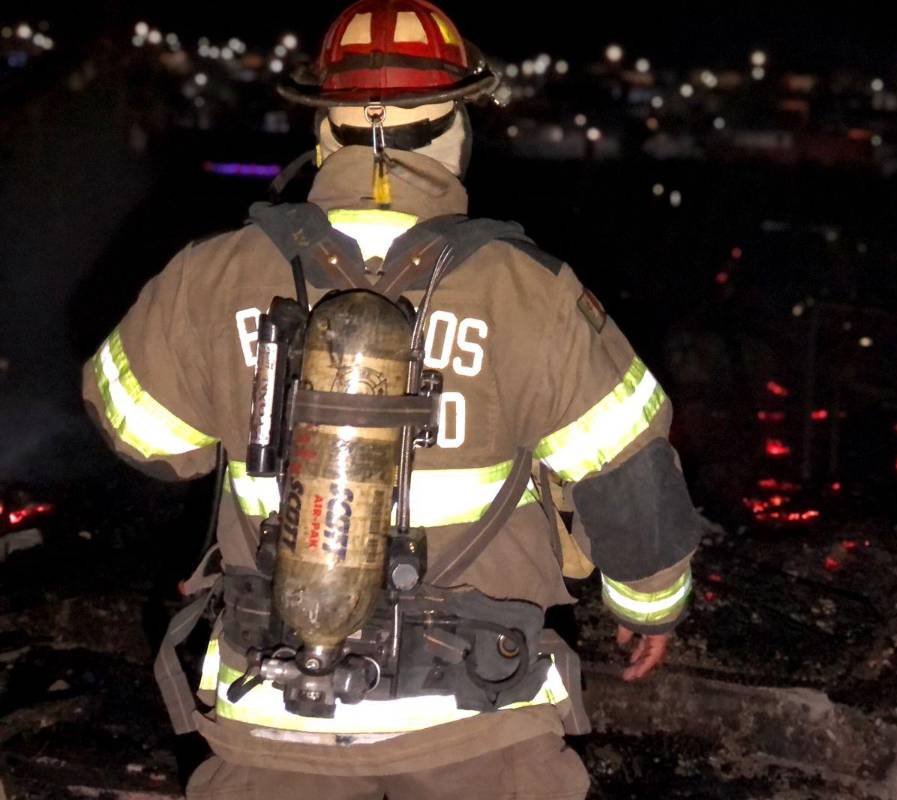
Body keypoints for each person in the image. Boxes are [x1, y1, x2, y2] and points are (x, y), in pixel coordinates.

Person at [82, 1, 701, 797]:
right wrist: (649, 609)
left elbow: (142, 438)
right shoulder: (531, 291)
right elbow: (633, 482)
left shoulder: (212, 274)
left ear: (324, 129)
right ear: (454, 129)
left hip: (270, 710)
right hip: (479, 717)